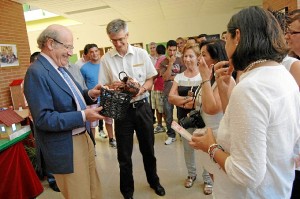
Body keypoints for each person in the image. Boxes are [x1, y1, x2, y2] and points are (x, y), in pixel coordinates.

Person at [189, 6, 300, 199]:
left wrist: (211, 147)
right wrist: (224, 90)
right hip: (277, 188)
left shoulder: (250, 87)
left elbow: (246, 174)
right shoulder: (282, 74)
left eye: (227, 39)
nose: (225, 46)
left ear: (237, 36)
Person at [24, 24, 104, 199]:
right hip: (67, 145)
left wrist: (90, 94)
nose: (70, 52)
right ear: (51, 43)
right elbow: (44, 118)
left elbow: (72, 98)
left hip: (83, 138)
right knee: (79, 194)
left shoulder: (60, 68)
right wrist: (83, 115)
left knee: (93, 189)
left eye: (71, 47)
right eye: (67, 47)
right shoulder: (36, 72)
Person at [99, 19, 165, 199]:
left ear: (127, 35)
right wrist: (113, 86)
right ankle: (127, 192)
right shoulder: (106, 59)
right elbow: (103, 85)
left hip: (142, 107)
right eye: (113, 40)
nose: (118, 44)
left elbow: (151, 79)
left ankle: (154, 182)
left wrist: (140, 89)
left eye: (121, 39)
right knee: (124, 155)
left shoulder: (140, 54)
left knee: (148, 150)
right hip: (122, 111)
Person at [168, 44, 213, 194]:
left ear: (197, 57)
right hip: (184, 119)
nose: (187, 59)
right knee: (188, 149)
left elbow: (208, 97)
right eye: (185, 56)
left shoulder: (204, 75)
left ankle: (207, 179)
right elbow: (170, 97)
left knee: (205, 149)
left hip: (202, 119)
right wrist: (188, 101)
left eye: (191, 56)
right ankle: (191, 174)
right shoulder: (179, 77)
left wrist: (182, 100)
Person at [29, 51, 60, 193]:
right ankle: (51, 178)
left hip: (53, 118)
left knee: (53, 150)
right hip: (40, 120)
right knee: (45, 151)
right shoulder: (30, 79)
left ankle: (57, 176)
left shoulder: (48, 76)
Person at [81, 43, 116, 148]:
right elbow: (83, 84)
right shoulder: (84, 68)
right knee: (92, 123)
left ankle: (111, 139)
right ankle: (93, 144)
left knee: (109, 121)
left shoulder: (105, 64)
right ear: (87, 54)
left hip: (107, 97)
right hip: (93, 99)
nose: (94, 53)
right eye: (91, 52)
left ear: (99, 52)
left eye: (96, 51)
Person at [160, 40, 185, 145]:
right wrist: (170, 63)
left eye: (174, 50)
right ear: (167, 50)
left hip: (179, 92)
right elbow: (165, 77)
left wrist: (172, 77)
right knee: (168, 116)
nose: (172, 52)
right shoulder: (163, 62)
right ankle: (171, 135)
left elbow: (183, 76)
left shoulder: (181, 61)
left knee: (181, 116)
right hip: (167, 92)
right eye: (170, 50)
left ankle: (181, 134)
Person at [152, 44, 166, 133]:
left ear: (157, 51)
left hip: (160, 87)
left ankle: (164, 126)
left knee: (161, 108)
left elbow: (156, 73)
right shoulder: (161, 59)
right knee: (158, 107)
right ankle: (160, 125)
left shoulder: (162, 59)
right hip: (157, 86)